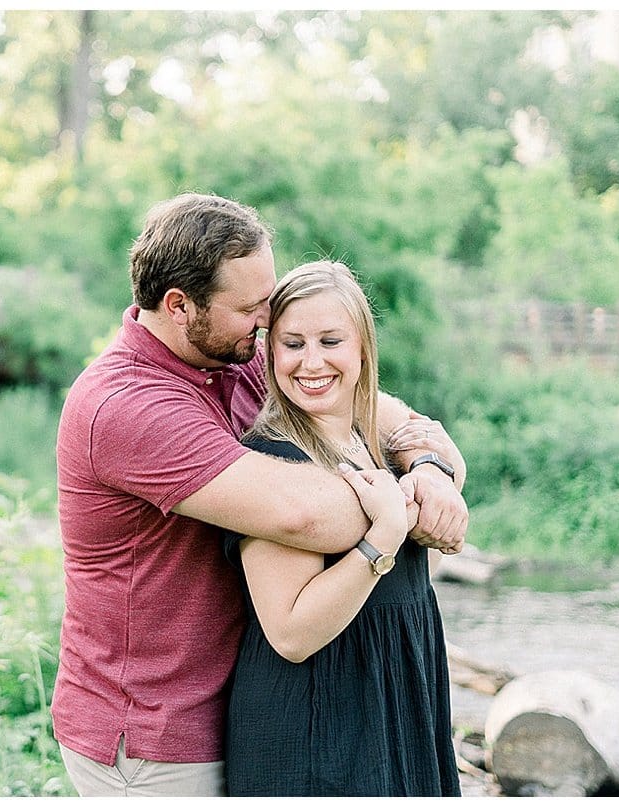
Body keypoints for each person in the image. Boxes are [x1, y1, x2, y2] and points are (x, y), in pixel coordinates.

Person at [52, 193, 467, 797]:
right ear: (179, 305)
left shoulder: (235, 354)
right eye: (251, 307)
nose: (269, 321)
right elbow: (302, 516)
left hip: (234, 701)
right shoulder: (126, 405)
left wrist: (427, 465)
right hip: (153, 737)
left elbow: (385, 413)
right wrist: (399, 510)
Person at [223, 260, 461, 796]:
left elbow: (428, 559)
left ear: (362, 349)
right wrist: (381, 539)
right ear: (270, 352)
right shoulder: (274, 459)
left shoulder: (377, 440)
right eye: (293, 343)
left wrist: (436, 475)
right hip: (316, 723)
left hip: (398, 698)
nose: (312, 362)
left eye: (331, 341)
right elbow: (290, 633)